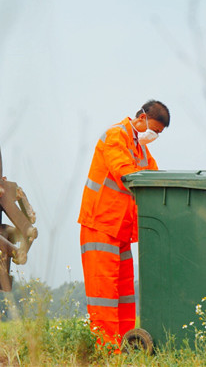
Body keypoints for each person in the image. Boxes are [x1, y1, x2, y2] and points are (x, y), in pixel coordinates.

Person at [78, 100, 170, 349]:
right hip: (100, 226)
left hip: (120, 231)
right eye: (155, 130)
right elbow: (124, 173)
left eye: (159, 134)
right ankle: (107, 352)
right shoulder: (115, 135)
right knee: (104, 296)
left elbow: (154, 176)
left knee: (124, 297)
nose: (154, 136)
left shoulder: (140, 148)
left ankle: (125, 348)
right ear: (141, 118)